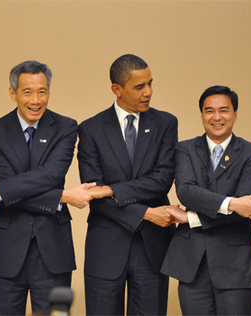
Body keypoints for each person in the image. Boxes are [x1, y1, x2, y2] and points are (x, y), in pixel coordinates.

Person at [0, 60, 93, 315]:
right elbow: (7, 188)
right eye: (27, 92)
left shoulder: (66, 127)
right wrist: (63, 196)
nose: (36, 100)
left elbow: (50, 174)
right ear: (13, 93)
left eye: (42, 91)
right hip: (6, 251)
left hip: (53, 251)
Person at [72, 54, 180, 315]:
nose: (148, 92)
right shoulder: (90, 129)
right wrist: (145, 213)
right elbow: (92, 193)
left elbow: (161, 181)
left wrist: (112, 189)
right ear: (116, 90)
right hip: (106, 246)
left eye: (150, 84)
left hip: (152, 246)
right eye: (140, 87)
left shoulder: (166, 123)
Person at [160, 85, 251, 315]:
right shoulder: (184, 149)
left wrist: (191, 218)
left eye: (224, 110)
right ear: (202, 115)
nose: (216, 117)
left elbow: (243, 210)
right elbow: (186, 192)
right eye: (209, 111)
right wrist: (232, 203)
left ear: (235, 115)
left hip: (237, 267)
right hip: (192, 264)